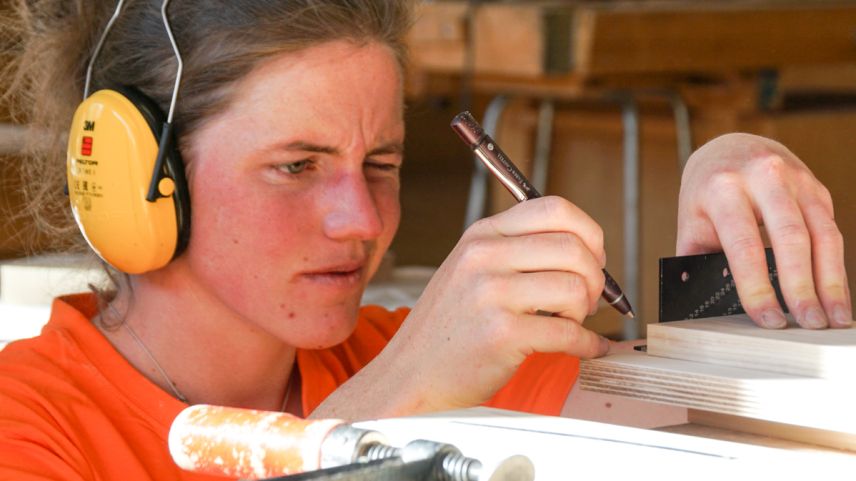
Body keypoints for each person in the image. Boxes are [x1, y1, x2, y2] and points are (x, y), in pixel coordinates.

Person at [0, 0, 850, 479]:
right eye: (297, 166)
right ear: (131, 181)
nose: (363, 222)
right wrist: (395, 399)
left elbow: (729, 427)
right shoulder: (26, 425)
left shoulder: (413, 356)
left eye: (381, 161)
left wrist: (726, 236)